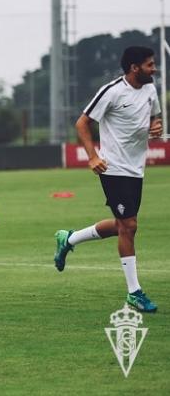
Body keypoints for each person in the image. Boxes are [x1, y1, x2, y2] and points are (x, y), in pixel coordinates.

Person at [54, 46, 162, 313]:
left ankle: (69, 239)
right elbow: (82, 123)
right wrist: (92, 157)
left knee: (122, 224)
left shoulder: (150, 89)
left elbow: (154, 118)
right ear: (134, 67)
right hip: (113, 168)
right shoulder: (112, 91)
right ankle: (134, 293)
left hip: (136, 168)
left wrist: (155, 127)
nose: (154, 69)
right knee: (129, 226)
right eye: (150, 65)